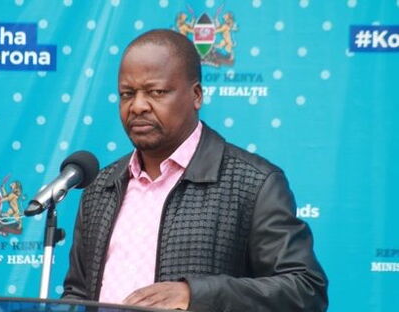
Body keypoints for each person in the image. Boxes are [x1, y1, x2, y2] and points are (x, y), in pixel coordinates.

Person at [62, 29, 328, 311]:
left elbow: (305, 289)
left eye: (156, 92)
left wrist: (196, 294)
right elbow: (79, 292)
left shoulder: (254, 183)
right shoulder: (101, 186)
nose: (137, 106)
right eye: (127, 94)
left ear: (196, 95)